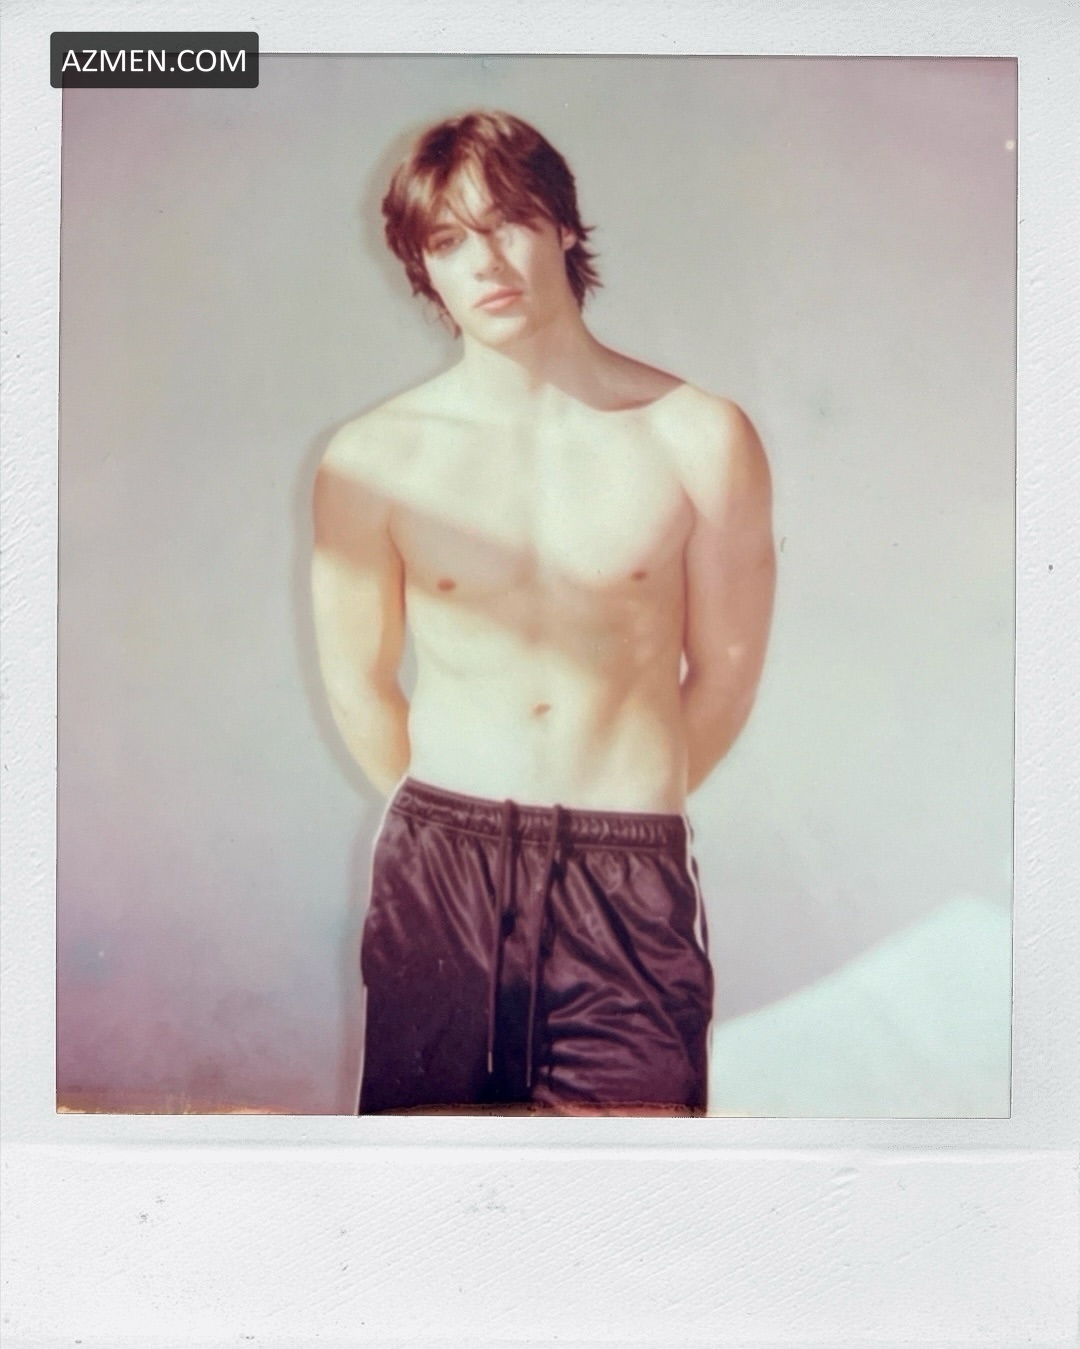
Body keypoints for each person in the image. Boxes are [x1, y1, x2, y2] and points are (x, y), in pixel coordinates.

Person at [311, 111, 775, 1115]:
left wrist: (616, 811)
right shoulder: (372, 458)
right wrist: (461, 829)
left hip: (624, 877)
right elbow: (358, 683)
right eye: (448, 240)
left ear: (563, 225)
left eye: (508, 222)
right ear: (423, 269)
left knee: (627, 1192)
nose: (484, 261)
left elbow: (728, 675)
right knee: (428, 1187)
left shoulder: (699, 438)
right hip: (441, 876)